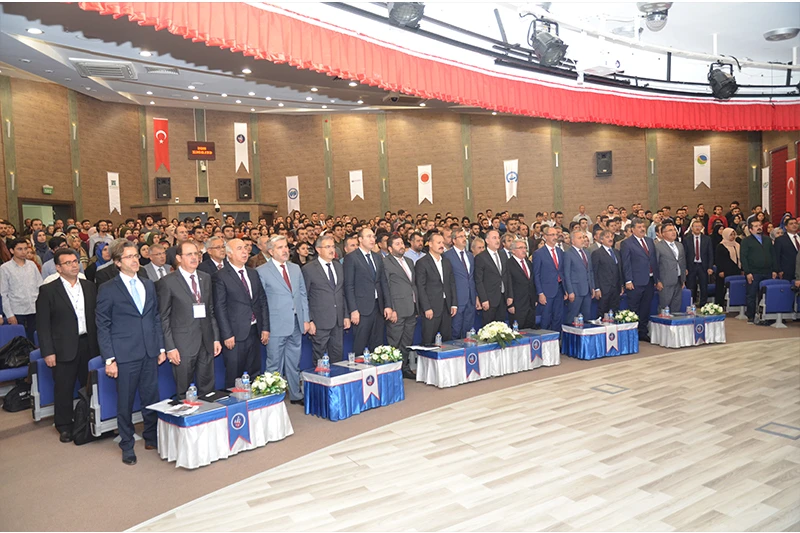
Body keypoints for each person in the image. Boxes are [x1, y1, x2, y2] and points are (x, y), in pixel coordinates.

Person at [95, 239, 166, 465]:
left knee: (151, 397)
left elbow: (155, 318)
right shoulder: (108, 289)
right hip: (124, 354)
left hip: (149, 351)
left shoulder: (148, 284)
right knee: (125, 402)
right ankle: (126, 444)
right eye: (129, 257)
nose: (135, 260)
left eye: (136, 256)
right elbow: (103, 325)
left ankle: (151, 437)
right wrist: (109, 359)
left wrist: (160, 347)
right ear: (117, 262)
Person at [35, 248, 99, 443]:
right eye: (68, 263)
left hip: (89, 343)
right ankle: (63, 425)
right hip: (63, 347)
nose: (74, 265)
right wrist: (48, 352)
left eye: (75, 261)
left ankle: (87, 421)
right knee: (64, 387)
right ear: (58, 267)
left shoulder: (89, 286)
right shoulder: (48, 290)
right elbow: (43, 325)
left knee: (89, 385)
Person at [157, 241, 221, 398]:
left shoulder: (205, 278)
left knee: (208, 390)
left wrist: (215, 338)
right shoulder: (168, 282)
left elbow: (210, 310)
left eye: (196, 254)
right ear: (179, 258)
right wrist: (170, 347)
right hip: (182, 345)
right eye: (189, 254)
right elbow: (163, 317)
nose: (194, 257)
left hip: (206, 341)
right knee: (184, 391)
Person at [256, 236, 309, 405]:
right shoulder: (262, 271)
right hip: (276, 324)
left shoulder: (295, 268)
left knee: (294, 362)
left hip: (296, 322)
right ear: (271, 251)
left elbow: (302, 294)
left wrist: (306, 318)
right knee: (274, 363)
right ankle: (273, 398)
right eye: (280, 247)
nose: (285, 250)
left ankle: (295, 394)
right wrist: (265, 326)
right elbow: (261, 302)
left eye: (286, 246)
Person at [213, 238, 270, 387]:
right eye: (240, 249)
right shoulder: (221, 276)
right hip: (235, 334)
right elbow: (220, 307)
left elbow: (262, 301)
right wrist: (227, 334)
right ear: (229, 254)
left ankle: (254, 400)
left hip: (254, 330)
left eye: (245, 248)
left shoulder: (253, 273)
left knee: (254, 372)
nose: (245, 251)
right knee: (234, 374)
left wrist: (265, 327)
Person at [303, 235, 349, 365]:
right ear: (318, 249)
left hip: (338, 320)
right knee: (319, 357)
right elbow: (304, 297)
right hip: (319, 321)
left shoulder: (338, 266)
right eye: (327, 247)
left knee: (337, 355)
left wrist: (346, 315)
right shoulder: (309, 269)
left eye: (333, 246)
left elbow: (342, 293)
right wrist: (309, 320)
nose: (332, 250)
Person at [344, 228, 390, 355]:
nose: (372, 239)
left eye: (373, 236)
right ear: (360, 239)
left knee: (377, 344)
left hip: (378, 307)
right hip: (361, 309)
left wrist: (388, 305)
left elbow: (383, 282)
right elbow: (349, 286)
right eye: (368, 236)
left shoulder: (377, 257)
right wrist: (353, 309)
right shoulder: (351, 258)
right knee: (360, 344)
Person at [382, 233, 419, 379]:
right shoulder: (385, 263)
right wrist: (391, 308)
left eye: (402, 243)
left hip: (411, 307)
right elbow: (386, 287)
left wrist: (416, 305)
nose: (401, 246)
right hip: (397, 308)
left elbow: (412, 284)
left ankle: (404, 367)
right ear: (390, 248)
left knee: (407, 341)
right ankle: (393, 370)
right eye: (397, 244)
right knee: (395, 341)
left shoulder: (409, 261)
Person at [621, 219, 660, 341]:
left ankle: (643, 332)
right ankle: (632, 333)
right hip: (635, 281)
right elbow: (626, 263)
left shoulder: (649, 241)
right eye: (639, 227)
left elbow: (653, 261)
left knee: (646, 307)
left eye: (643, 226)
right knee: (634, 308)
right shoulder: (627, 243)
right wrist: (628, 280)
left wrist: (657, 279)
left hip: (650, 280)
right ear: (632, 229)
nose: (642, 229)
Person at [415, 233, 457, 345]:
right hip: (431, 308)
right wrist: (426, 307)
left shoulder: (446, 262)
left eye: (442, 242)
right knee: (428, 339)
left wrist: (454, 304)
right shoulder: (422, 263)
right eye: (438, 243)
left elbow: (451, 283)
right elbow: (420, 287)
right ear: (430, 244)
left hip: (446, 307)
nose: (442, 245)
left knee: (447, 340)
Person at [0, 238, 42, 341]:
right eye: (19, 249)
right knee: (20, 341)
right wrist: (9, 314)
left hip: (34, 308)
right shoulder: (5, 268)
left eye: (25, 249)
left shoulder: (32, 265)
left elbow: (40, 286)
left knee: (36, 338)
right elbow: (4, 293)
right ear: (12, 250)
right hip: (17, 310)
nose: (23, 252)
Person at [443, 228, 478, 339]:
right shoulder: (447, 256)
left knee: (468, 330)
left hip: (470, 298)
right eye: (461, 237)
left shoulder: (470, 255)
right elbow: (447, 279)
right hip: (457, 298)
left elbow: (473, 277)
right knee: (455, 329)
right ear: (454, 240)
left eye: (465, 236)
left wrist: (476, 296)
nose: (464, 239)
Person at [740, 219, 777, 323]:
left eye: (760, 225)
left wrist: (775, 270)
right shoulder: (746, 241)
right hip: (753, 272)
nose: (759, 227)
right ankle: (751, 316)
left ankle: (766, 316)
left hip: (768, 271)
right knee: (751, 294)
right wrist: (747, 272)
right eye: (756, 226)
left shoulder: (767, 240)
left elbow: (773, 255)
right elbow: (743, 257)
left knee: (767, 294)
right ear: (751, 229)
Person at [533, 226, 566, 330]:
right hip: (546, 291)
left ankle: (556, 338)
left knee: (558, 317)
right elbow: (536, 274)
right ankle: (545, 338)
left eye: (556, 234)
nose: (555, 237)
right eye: (552, 235)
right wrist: (540, 293)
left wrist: (565, 289)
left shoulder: (560, 252)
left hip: (559, 289)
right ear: (545, 236)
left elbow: (562, 271)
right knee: (546, 318)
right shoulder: (539, 253)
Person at [563, 229, 598, 324]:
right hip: (576, 290)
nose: (583, 240)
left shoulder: (586, 252)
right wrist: (570, 291)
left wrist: (592, 287)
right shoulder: (568, 253)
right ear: (573, 241)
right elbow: (567, 274)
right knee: (572, 316)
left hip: (587, 290)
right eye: (580, 238)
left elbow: (590, 271)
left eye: (583, 237)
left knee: (587, 316)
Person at [474, 229, 510, 325]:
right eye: (494, 238)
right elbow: (479, 280)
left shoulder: (503, 255)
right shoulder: (481, 257)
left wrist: (509, 295)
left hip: (502, 297)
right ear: (487, 241)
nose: (497, 240)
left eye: (498, 238)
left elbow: (506, 276)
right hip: (489, 299)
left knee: (501, 326)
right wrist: (483, 299)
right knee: (488, 328)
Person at [654, 223, 686, 314]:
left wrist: (683, 279)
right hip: (665, 281)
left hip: (678, 280)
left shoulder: (679, 245)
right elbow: (655, 264)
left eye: (674, 230)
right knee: (664, 306)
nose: (673, 232)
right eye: (670, 230)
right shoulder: (658, 246)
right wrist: (657, 281)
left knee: (676, 306)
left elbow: (683, 263)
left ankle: (674, 322)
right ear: (663, 233)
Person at [505, 237, 536, 329]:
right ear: (513, 251)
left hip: (530, 303)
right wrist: (510, 304)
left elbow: (531, 282)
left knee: (530, 330)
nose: (524, 250)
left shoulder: (528, 263)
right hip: (517, 304)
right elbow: (508, 283)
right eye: (521, 248)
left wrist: (535, 298)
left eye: (525, 247)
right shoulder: (508, 264)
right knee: (518, 330)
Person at [592, 230, 623, 316]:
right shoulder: (597, 253)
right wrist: (597, 288)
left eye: (611, 237)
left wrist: (621, 285)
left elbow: (619, 269)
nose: (610, 239)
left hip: (616, 288)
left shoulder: (616, 252)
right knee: (603, 312)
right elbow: (594, 272)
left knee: (615, 311)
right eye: (607, 237)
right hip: (604, 289)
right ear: (601, 240)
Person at [683, 220, 714, 306]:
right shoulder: (686, 239)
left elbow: (710, 254)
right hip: (691, 266)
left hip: (703, 266)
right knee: (691, 286)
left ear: (702, 228)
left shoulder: (707, 239)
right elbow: (684, 255)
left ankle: (703, 305)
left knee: (704, 286)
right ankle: (690, 304)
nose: (697, 228)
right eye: (695, 226)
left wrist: (710, 267)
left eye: (699, 226)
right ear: (692, 228)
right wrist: (684, 268)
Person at [715, 228, 742, 303]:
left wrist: (742, 269)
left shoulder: (737, 245)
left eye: (733, 234)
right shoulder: (721, 246)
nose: (732, 236)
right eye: (730, 235)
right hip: (725, 271)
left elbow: (740, 258)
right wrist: (721, 270)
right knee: (722, 290)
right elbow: (718, 260)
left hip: (736, 270)